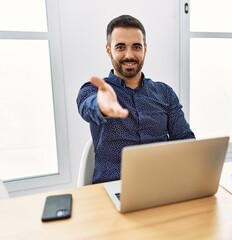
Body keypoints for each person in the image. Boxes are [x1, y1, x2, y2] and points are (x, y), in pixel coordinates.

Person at [76, 15, 195, 184]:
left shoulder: (165, 93)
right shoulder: (93, 90)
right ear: (109, 50)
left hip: (163, 184)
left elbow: (185, 141)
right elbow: (87, 107)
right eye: (120, 47)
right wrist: (102, 107)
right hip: (113, 187)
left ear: (145, 49)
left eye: (136, 47)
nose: (129, 55)